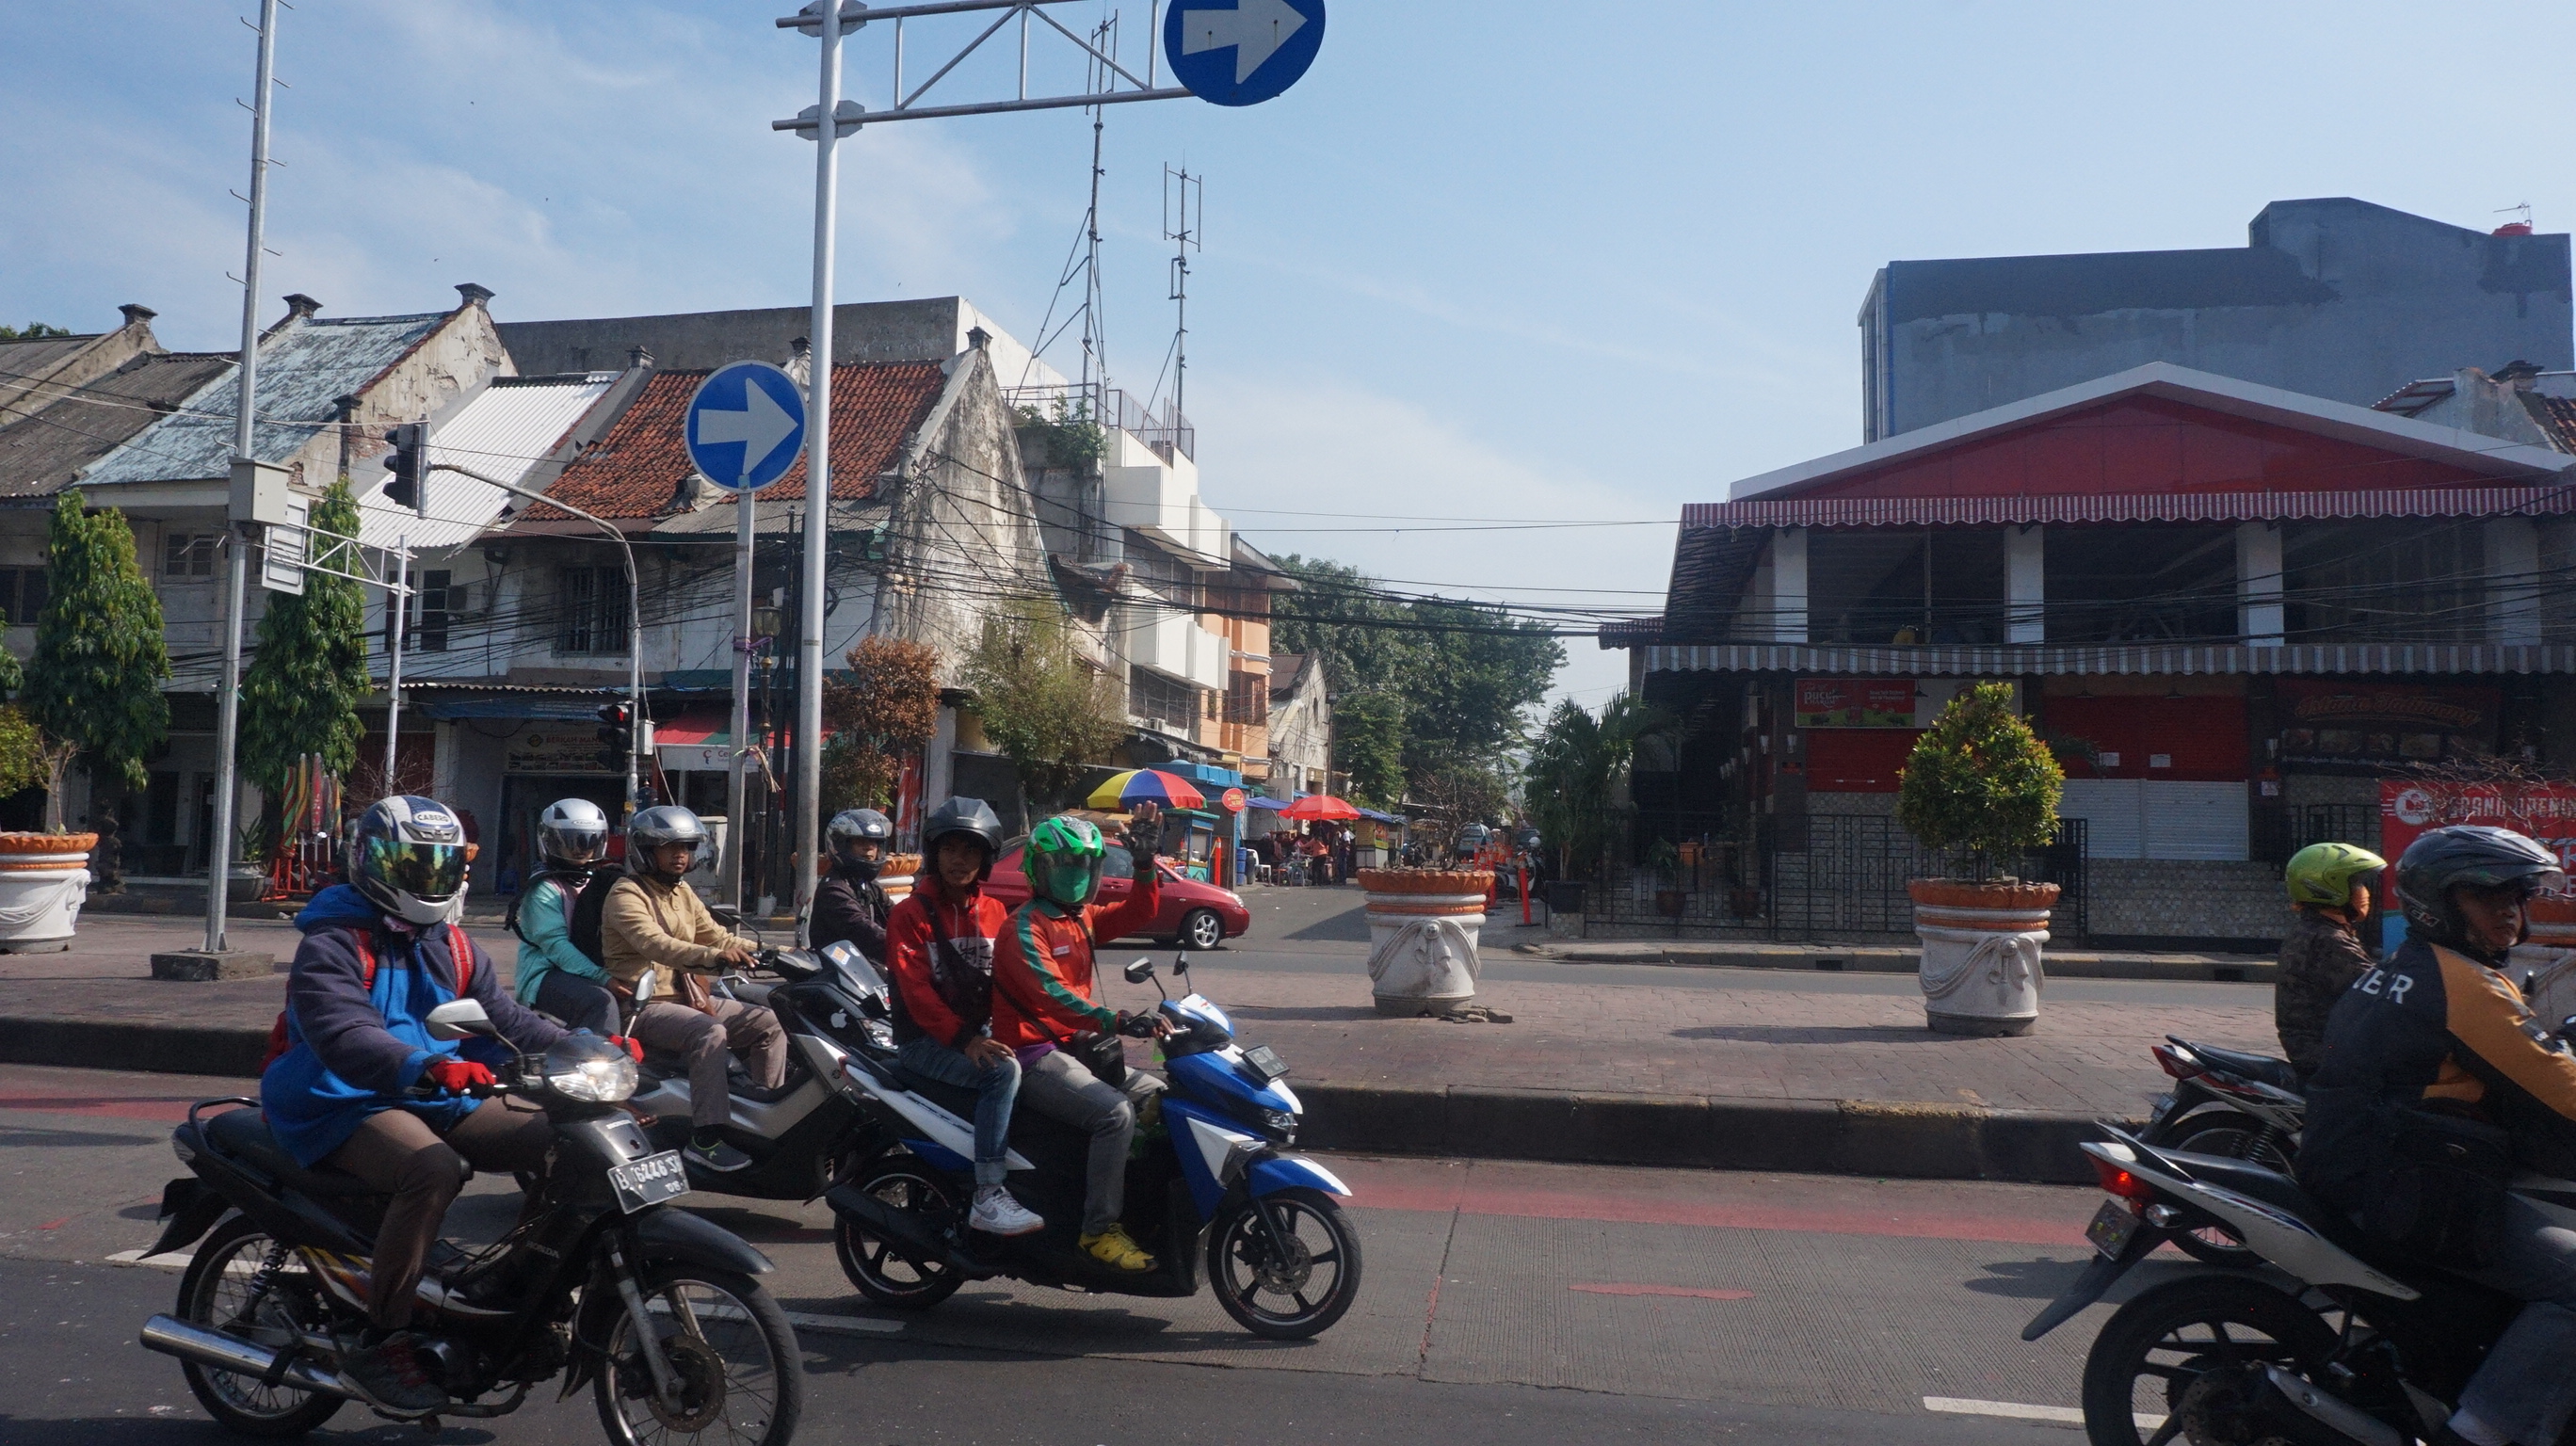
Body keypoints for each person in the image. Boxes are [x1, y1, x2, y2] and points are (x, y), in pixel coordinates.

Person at [262, 795, 617, 1413]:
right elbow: (345, 1033)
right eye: (413, 866)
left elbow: (506, 1021)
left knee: (568, 1139)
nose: (428, 881)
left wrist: (591, 1047)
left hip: (436, 1088)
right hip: (340, 1096)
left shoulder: (450, 944)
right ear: (373, 865)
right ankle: (385, 1337)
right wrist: (424, 1064)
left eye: (439, 867)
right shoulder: (333, 942)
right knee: (431, 1169)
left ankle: (520, 1289)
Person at [2299, 826, 2576, 1446]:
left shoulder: (2407, 965)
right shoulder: (2463, 985)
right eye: (2487, 898)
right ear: (2441, 904)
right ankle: (2478, 1432)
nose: (2509, 912)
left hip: (2367, 1167)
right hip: (2403, 1187)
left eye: (2517, 895)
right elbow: (2561, 1088)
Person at [991, 803, 1171, 1272]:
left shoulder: (1081, 918)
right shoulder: (1024, 927)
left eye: (1085, 866)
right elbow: (1052, 995)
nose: (1076, 874)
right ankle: (1098, 1231)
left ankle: (1123, 1188)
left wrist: (1145, 864)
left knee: (1161, 1098)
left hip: (1078, 1047)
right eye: (1065, 865)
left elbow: (1140, 911)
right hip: (1032, 1054)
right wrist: (1116, 1019)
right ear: (1039, 869)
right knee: (1115, 1114)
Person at [880, 797, 1043, 1236]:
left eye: (970, 851)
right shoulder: (909, 915)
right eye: (951, 849)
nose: (959, 860)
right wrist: (967, 1042)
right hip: (924, 1043)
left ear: (986, 859)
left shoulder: (993, 911)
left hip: (978, 1032)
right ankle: (988, 1193)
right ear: (935, 854)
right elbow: (916, 995)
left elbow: (1012, 982)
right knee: (1002, 1072)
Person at [598, 805, 787, 1172]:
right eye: (670, 847)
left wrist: (784, 954)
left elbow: (717, 934)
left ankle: (761, 1116)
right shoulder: (626, 895)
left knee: (770, 1022)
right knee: (709, 1032)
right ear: (645, 850)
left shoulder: (682, 892)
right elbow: (658, 945)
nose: (680, 854)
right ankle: (705, 1138)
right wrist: (717, 956)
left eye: (685, 846)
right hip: (644, 1006)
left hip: (687, 999)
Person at [2275, 840, 2385, 1082]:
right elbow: (2380, 990)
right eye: (2357, 884)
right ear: (2330, 889)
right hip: (2325, 1052)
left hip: (2316, 1045)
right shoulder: (2328, 940)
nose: (2366, 892)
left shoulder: (2313, 929)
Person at [508, 798, 619, 1035]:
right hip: (546, 974)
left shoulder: (599, 882)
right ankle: (599, 1063)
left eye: (588, 840)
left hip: (592, 968)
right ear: (550, 841)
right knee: (601, 1001)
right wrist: (603, 978)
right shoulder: (544, 889)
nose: (580, 848)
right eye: (570, 841)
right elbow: (556, 947)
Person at [812, 807, 895, 968]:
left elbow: (896, 916)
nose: (869, 848)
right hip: (838, 973)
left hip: (862, 969)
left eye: (874, 842)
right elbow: (864, 931)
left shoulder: (868, 885)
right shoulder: (834, 889)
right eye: (861, 842)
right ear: (842, 845)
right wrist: (903, 946)